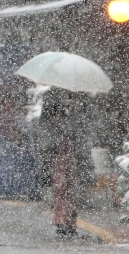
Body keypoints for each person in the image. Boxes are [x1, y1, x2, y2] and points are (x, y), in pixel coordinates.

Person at [39, 88, 87, 237]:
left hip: (70, 157)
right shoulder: (52, 97)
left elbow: (81, 132)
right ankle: (61, 222)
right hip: (58, 157)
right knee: (61, 191)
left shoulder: (77, 104)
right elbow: (47, 133)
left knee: (72, 192)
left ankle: (70, 224)